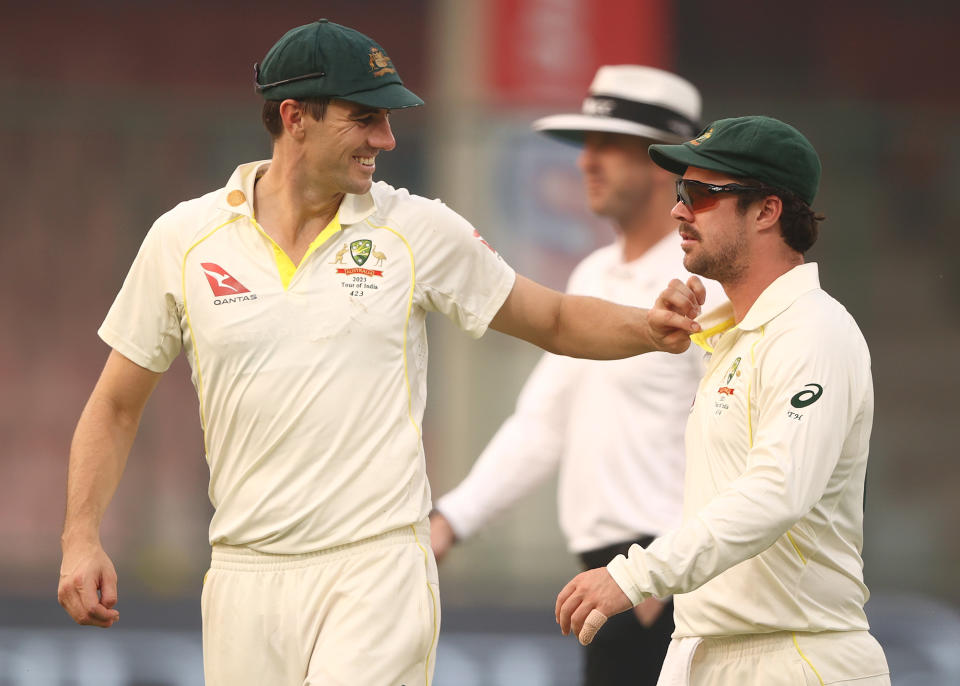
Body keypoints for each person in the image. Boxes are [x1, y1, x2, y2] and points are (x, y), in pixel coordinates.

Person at [55, 20, 703, 686]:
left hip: (376, 570)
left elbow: (557, 318)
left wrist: (649, 328)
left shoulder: (416, 228)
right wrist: (81, 536)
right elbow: (114, 404)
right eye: (365, 119)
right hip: (243, 574)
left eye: (388, 120)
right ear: (294, 117)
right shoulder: (184, 239)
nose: (385, 141)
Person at [555, 115, 891, 685]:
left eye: (703, 194)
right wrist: (703, 323)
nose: (678, 210)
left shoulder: (814, 332)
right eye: (681, 191)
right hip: (705, 650)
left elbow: (774, 493)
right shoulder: (735, 333)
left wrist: (634, 576)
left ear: (767, 211)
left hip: (796, 657)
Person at [429, 65, 723, 686]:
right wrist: (451, 520)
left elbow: (745, 434)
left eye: (612, 146)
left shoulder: (709, 283)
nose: (588, 162)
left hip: (671, 584)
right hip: (611, 583)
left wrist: (667, 572)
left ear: (666, 162)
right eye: (587, 145)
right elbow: (542, 423)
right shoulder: (592, 274)